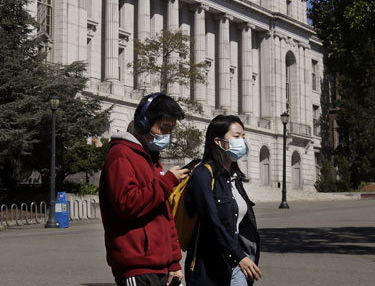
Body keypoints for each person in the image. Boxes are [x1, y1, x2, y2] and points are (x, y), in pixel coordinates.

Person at [99, 93, 189, 286]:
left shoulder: (151, 159)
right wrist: (167, 182)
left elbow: (165, 217)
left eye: (170, 131)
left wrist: (174, 262)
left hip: (161, 266)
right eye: (163, 129)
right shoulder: (120, 155)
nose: (166, 136)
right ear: (143, 123)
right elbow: (127, 204)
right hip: (136, 265)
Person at [185, 115, 262, 286]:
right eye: (236, 137)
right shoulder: (202, 175)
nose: (242, 141)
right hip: (210, 268)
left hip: (236, 266)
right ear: (218, 141)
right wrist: (239, 256)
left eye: (243, 136)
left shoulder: (234, 178)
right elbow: (211, 221)